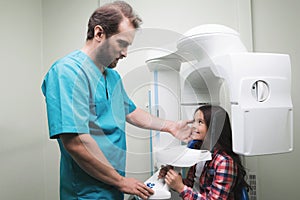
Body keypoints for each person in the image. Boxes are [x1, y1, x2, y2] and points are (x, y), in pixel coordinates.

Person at [41, 1, 192, 200]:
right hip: (87, 192)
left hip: (113, 187)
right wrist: (121, 181)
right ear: (99, 33)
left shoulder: (112, 77)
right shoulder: (66, 73)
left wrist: (170, 126)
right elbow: (76, 142)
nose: (125, 53)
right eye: (121, 43)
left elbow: (130, 111)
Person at [159, 105, 250, 199]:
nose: (194, 126)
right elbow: (193, 184)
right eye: (194, 121)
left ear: (213, 128)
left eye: (200, 122)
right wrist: (173, 179)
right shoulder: (198, 152)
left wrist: (181, 188)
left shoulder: (224, 162)